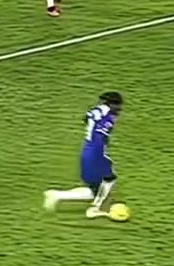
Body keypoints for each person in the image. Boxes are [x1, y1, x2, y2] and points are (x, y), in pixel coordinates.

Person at [43, 91, 123, 219]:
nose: (120, 109)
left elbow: (86, 119)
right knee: (109, 179)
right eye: (118, 106)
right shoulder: (108, 117)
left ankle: (57, 195)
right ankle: (94, 208)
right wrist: (105, 139)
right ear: (112, 104)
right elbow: (102, 134)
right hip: (96, 153)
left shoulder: (96, 110)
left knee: (96, 187)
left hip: (87, 150)